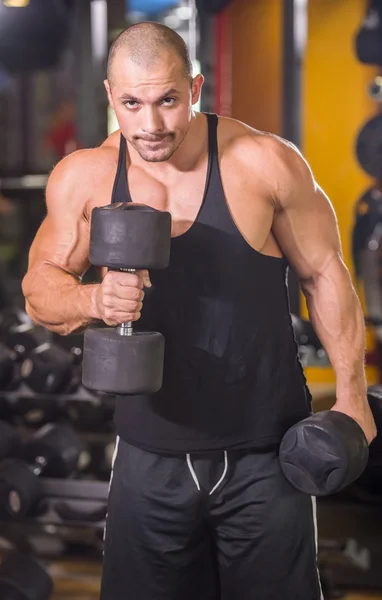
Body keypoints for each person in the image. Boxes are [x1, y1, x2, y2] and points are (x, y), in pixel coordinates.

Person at [22, 21, 376, 600]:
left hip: (265, 454)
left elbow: (326, 274)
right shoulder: (84, 177)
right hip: (148, 457)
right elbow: (40, 288)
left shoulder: (264, 163)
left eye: (167, 100)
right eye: (132, 104)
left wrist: (352, 397)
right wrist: (92, 299)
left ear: (195, 87)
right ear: (111, 96)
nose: (151, 124)